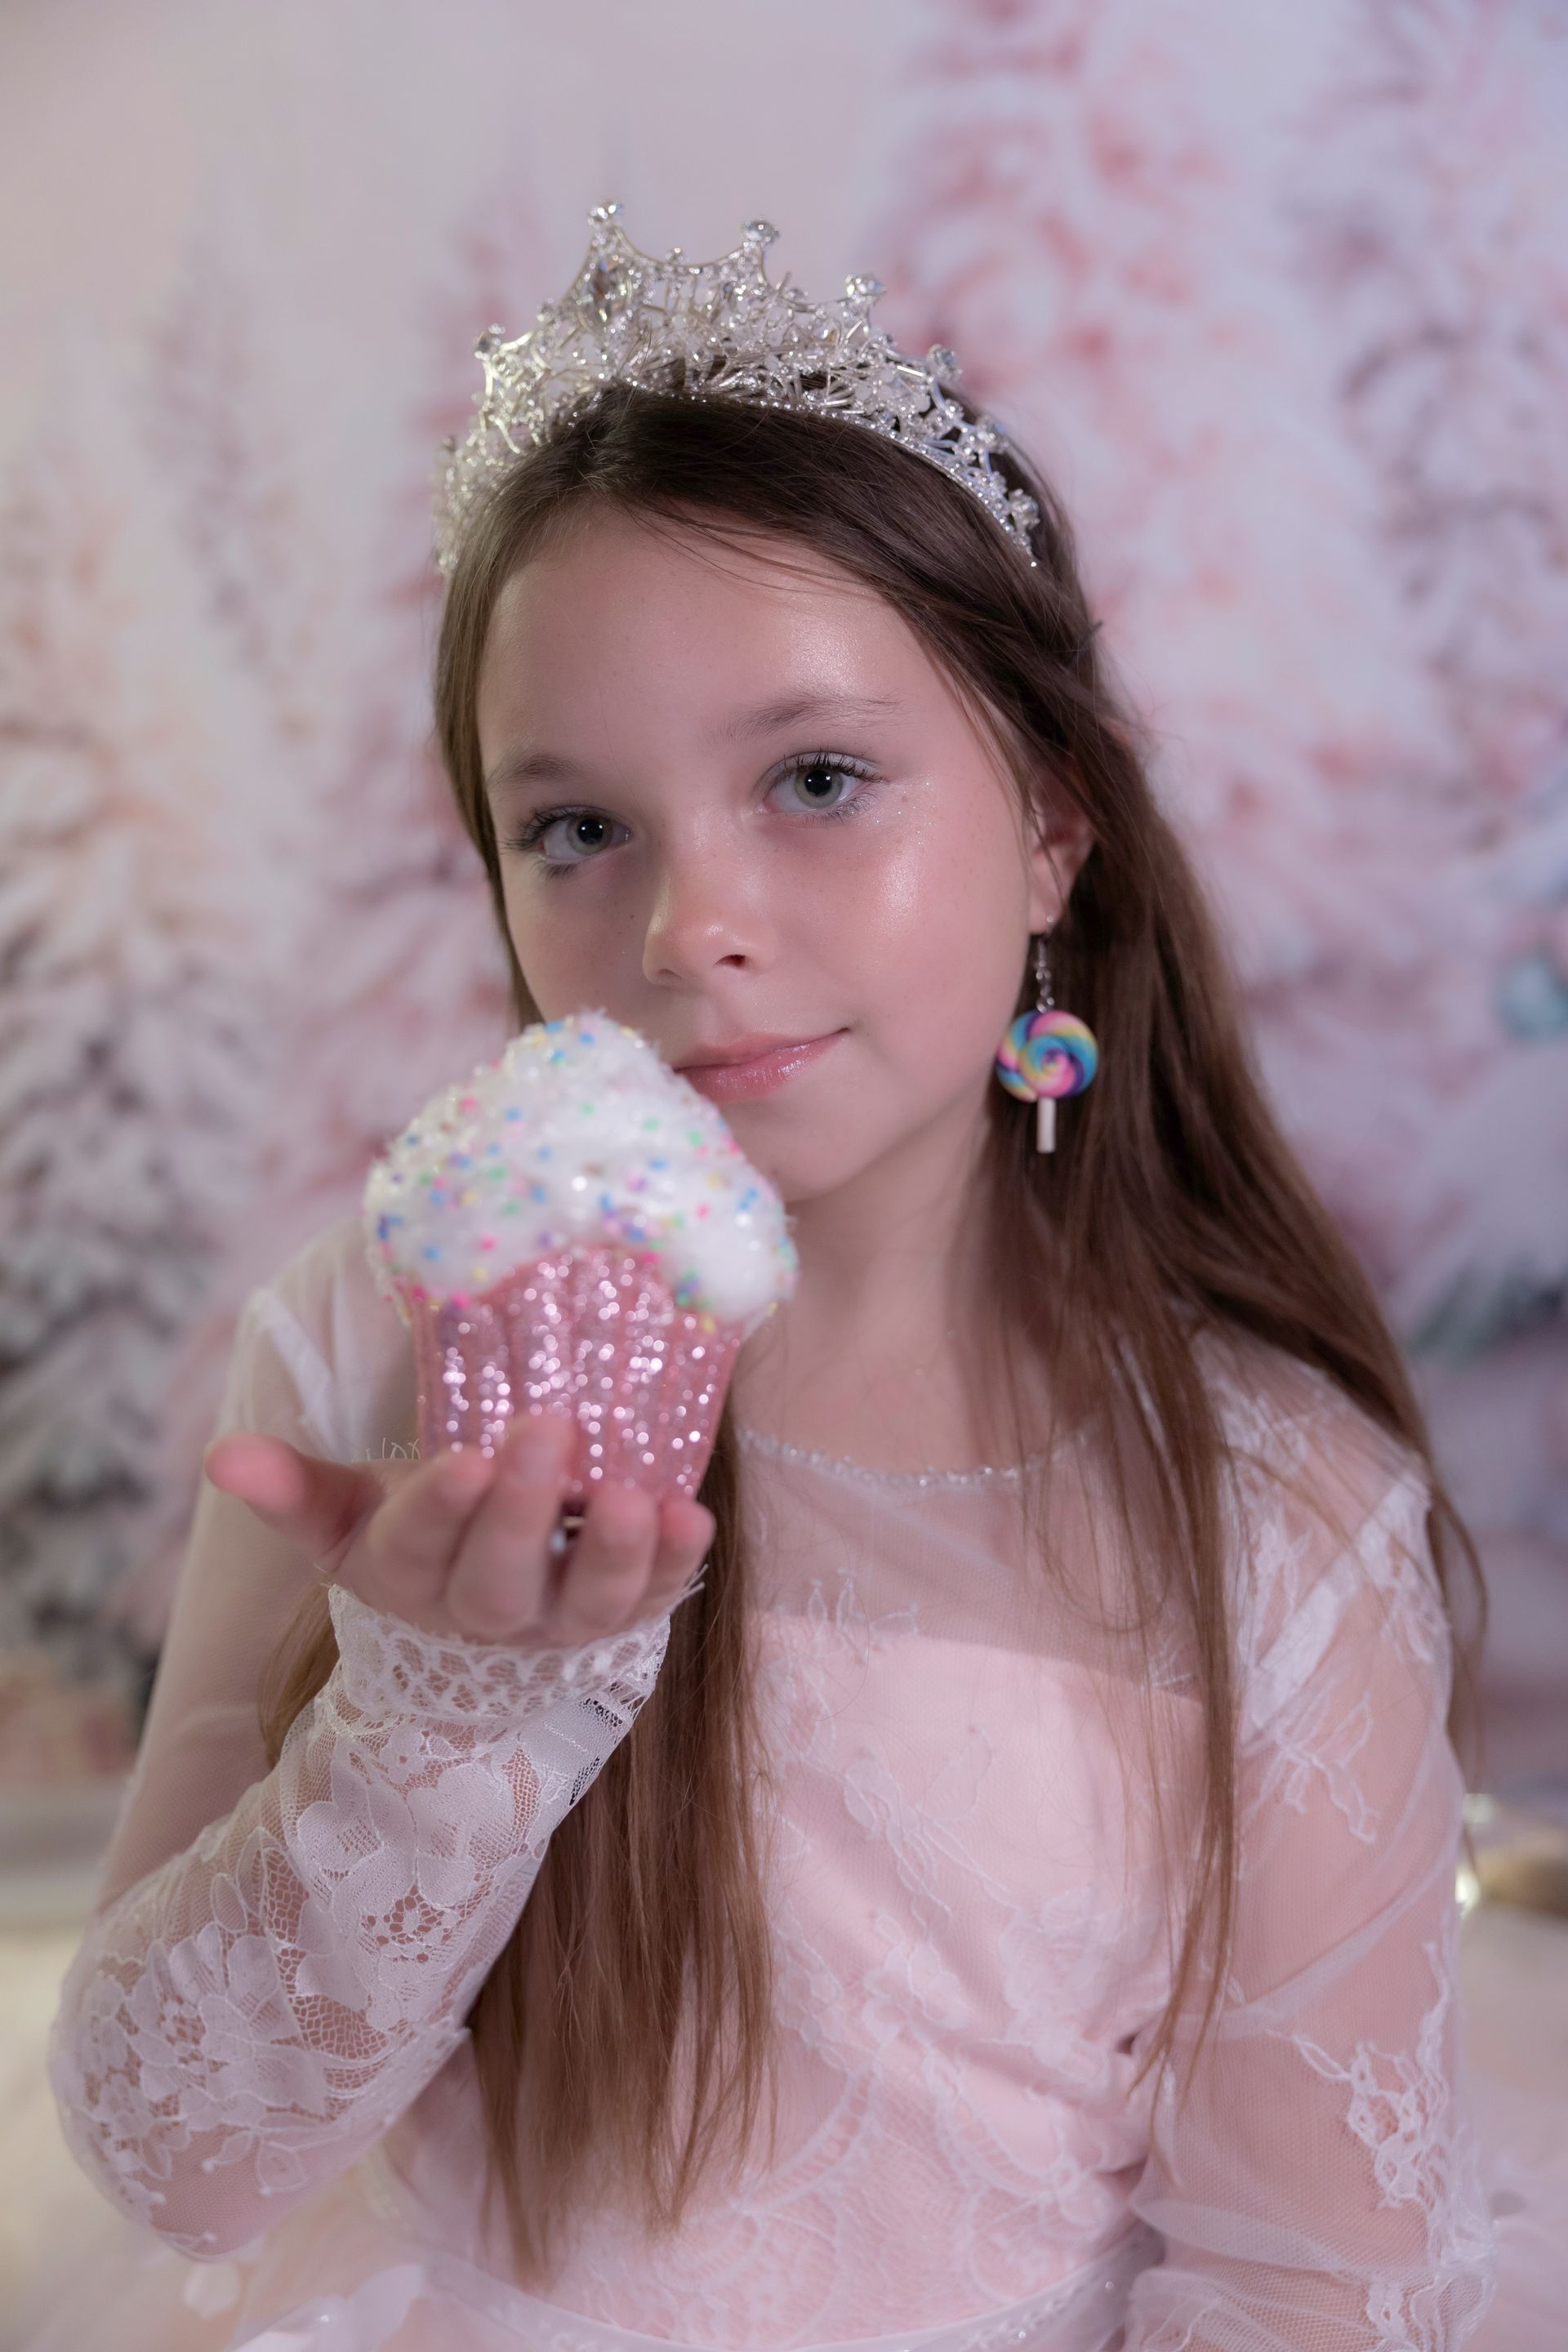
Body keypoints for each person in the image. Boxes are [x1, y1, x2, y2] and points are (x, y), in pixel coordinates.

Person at [34, 208, 1502, 2350]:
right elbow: (179, 2162)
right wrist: (443, 1720)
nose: (689, 924)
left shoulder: (1271, 1518)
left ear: (1051, 831)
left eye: (817, 780)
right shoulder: (377, 1351)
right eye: (576, 828)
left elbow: (1300, 2286)